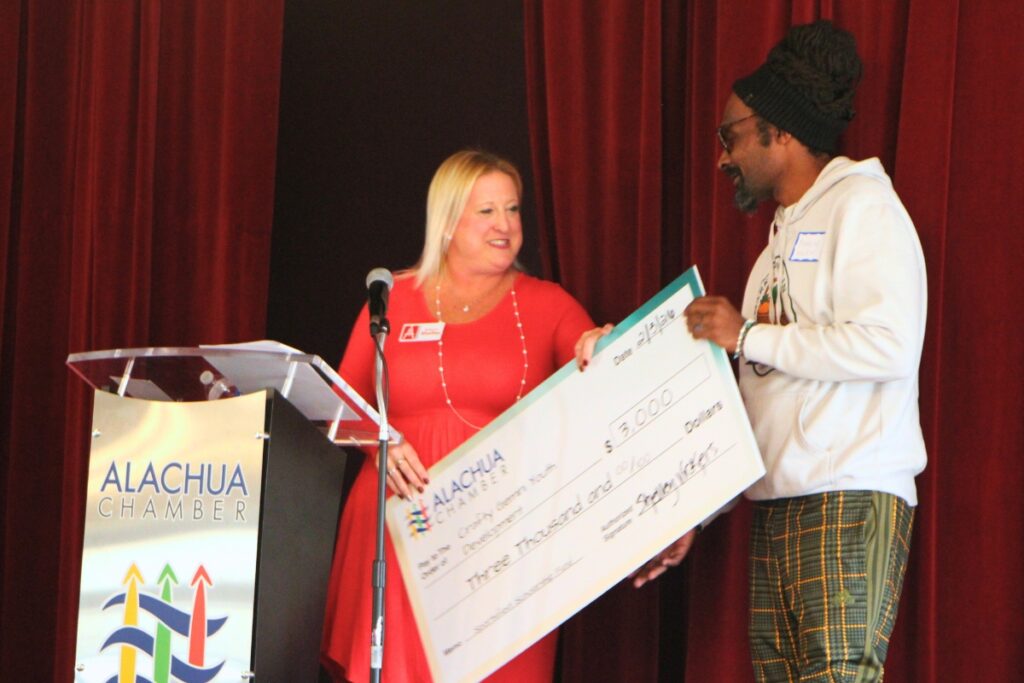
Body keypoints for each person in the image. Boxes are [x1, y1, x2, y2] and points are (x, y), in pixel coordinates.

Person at [576, 20, 926, 683]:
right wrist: (696, 515)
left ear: (782, 133)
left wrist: (748, 335)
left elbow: (889, 344)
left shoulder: (865, 207)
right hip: (778, 504)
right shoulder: (770, 253)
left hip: (848, 495)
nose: (721, 157)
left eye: (730, 135)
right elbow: (761, 403)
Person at [321, 149, 595, 682]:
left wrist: (599, 342)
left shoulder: (548, 302)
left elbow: (594, 361)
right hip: (397, 535)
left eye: (513, 210)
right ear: (447, 223)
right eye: (487, 211)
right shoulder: (392, 299)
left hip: (500, 536)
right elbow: (339, 402)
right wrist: (380, 438)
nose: (505, 225)